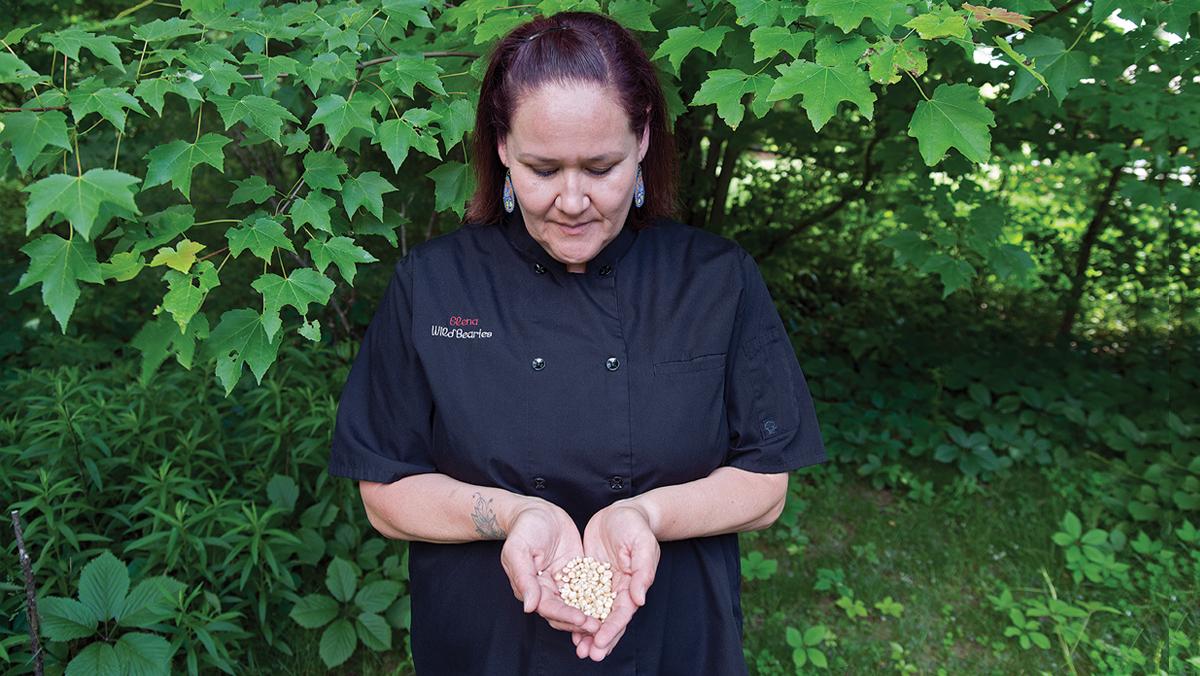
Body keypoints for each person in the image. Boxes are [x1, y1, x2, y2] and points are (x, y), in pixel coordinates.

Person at [328, 11, 827, 674]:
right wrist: (514, 515)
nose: (571, 200)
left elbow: (766, 483)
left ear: (643, 138)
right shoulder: (434, 283)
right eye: (542, 168)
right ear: (502, 146)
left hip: (676, 636)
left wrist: (645, 516)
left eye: (600, 167)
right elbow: (385, 492)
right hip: (485, 641)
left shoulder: (714, 279)